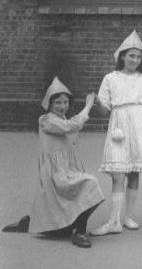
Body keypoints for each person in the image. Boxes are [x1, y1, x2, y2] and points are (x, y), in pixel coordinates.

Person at [2, 78, 104, 248]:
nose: (62, 106)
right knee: (90, 184)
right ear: (49, 103)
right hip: (55, 174)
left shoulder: (62, 118)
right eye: (57, 102)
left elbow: (70, 131)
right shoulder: (46, 120)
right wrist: (87, 106)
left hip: (65, 170)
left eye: (65, 102)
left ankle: (34, 221)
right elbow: (71, 126)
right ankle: (79, 231)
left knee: (80, 191)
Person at [91, 30, 142, 236]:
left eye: (138, 57)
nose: (134, 60)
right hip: (118, 124)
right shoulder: (110, 78)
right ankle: (113, 221)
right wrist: (97, 103)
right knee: (118, 173)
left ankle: (127, 216)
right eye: (131, 55)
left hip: (139, 124)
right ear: (122, 56)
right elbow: (104, 109)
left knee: (134, 172)